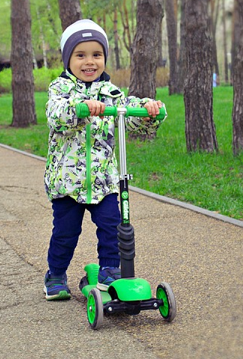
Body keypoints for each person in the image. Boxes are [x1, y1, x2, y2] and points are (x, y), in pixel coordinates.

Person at [43, 19, 166, 300]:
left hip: (104, 181)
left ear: (104, 59)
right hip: (67, 181)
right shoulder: (60, 89)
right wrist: (82, 108)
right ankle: (56, 274)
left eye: (96, 55)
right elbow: (56, 114)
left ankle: (110, 271)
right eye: (81, 55)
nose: (89, 62)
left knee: (113, 226)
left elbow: (128, 111)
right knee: (65, 233)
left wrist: (148, 110)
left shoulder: (111, 92)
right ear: (68, 59)